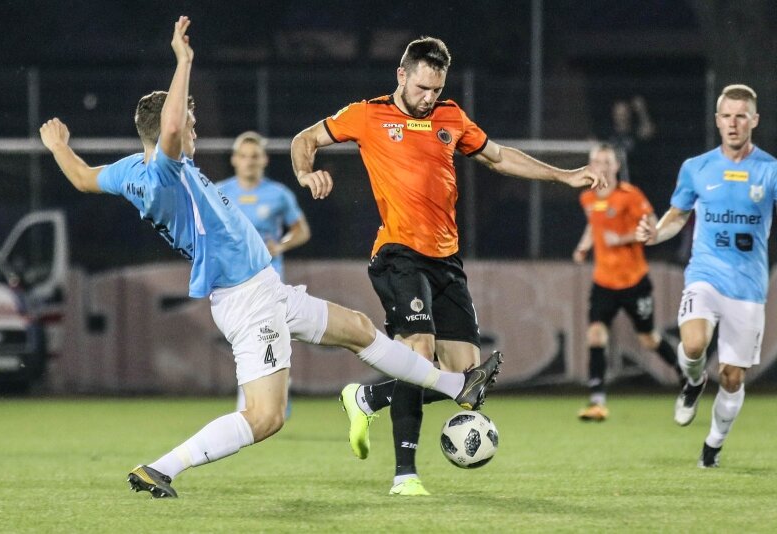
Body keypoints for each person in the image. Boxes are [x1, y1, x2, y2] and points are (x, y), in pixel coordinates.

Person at [38, 17, 502, 499]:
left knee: (359, 329)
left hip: (265, 289)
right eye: (191, 126)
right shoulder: (163, 173)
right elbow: (172, 126)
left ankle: (456, 387)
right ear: (169, 132)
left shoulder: (129, 170)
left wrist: (58, 148)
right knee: (265, 417)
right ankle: (160, 468)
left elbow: (83, 178)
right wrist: (184, 60)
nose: (194, 132)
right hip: (247, 300)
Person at [291, 36, 606, 495]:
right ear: (401, 75)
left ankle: (367, 398)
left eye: (436, 89)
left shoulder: (451, 117)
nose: (428, 97)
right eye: (422, 88)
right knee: (418, 355)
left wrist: (563, 175)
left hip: (447, 260)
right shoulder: (367, 114)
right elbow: (305, 139)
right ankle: (405, 475)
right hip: (398, 253)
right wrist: (306, 172)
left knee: (466, 379)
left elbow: (499, 156)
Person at [636, 84, 776, 468]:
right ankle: (693, 381)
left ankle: (713, 445)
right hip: (705, 275)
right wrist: (655, 233)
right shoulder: (696, 167)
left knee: (732, 378)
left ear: (754, 120)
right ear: (717, 120)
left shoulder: (770, 170)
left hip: (748, 287)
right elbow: (678, 214)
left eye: (741, 116)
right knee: (694, 344)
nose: (733, 123)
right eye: (727, 116)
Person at [573, 144, 682, 421]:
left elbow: (653, 226)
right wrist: (584, 246)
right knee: (595, 334)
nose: (602, 166)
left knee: (648, 338)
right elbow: (593, 224)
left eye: (607, 161)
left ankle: (685, 373)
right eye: (597, 161)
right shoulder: (587, 197)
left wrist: (621, 238)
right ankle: (597, 400)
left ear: (616, 166)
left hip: (634, 282)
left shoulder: (630, 196)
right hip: (603, 283)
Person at [217, 131, 311, 414]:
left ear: (264, 160)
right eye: (244, 156)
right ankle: (277, 387)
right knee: (256, 340)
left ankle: (248, 409)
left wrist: (280, 246)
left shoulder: (278, 194)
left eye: (254, 156)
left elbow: (301, 231)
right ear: (234, 159)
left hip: (268, 278)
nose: (249, 161)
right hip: (232, 281)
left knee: (256, 338)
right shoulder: (219, 192)